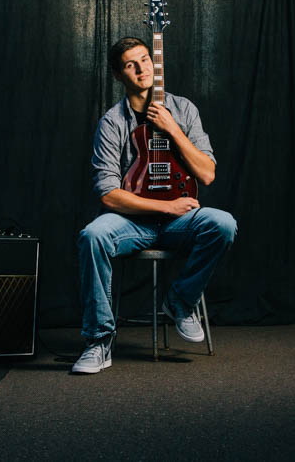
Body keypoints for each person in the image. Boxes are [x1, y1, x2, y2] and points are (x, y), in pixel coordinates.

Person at [72, 36, 237, 374]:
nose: (141, 68)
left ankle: (179, 301)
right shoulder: (113, 122)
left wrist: (172, 129)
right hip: (132, 222)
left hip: (181, 222)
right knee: (92, 236)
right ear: (120, 75)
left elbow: (207, 174)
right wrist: (165, 207)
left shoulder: (184, 109)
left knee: (223, 224)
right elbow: (107, 193)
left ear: (155, 62)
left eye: (145, 59)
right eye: (131, 64)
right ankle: (99, 342)